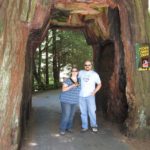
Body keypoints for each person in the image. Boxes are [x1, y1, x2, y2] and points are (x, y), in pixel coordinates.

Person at [78, 60, 102, 133]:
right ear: (84, 66)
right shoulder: (81, 73)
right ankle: (84, 127)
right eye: (86, 65)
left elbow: (99, 84)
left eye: (89, 65)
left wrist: (94, 92)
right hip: (81, 96)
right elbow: (74, 78)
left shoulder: (94, 74)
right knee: (83, 112)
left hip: (90, 96)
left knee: (92, 111)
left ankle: (94, 126)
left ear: (91, 65)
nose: (87, 66)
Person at [59, 67, 80, 135]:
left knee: (71, 115)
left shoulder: (80, 80)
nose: (74, 72)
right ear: (71, 72)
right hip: (66, 100)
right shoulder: (67, 80)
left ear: (77, 72)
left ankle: (69, 127)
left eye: (75, 71)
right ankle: (62, 129)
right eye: (73, 71)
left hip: (74, 101)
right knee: (66, 115)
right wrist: (72, 85)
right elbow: (63, 90)